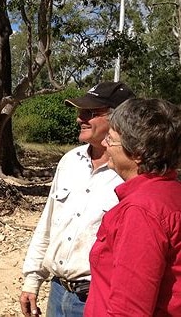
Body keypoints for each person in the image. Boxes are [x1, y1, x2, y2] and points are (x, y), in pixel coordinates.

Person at [19, 82, 135, 317]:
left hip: (100, 298)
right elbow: (48, 224)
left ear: (119, 120)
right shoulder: (69, 161)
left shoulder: (132, 174)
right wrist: (32, 281)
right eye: (80, 112)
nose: (79, 119)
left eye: (90, 113)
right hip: (58, 291)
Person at [84, 98, 181, 316]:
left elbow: (128, 310)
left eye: (111, 139)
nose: (105, 144)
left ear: (137, 153)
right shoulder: (170, 194)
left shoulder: (141, 210)